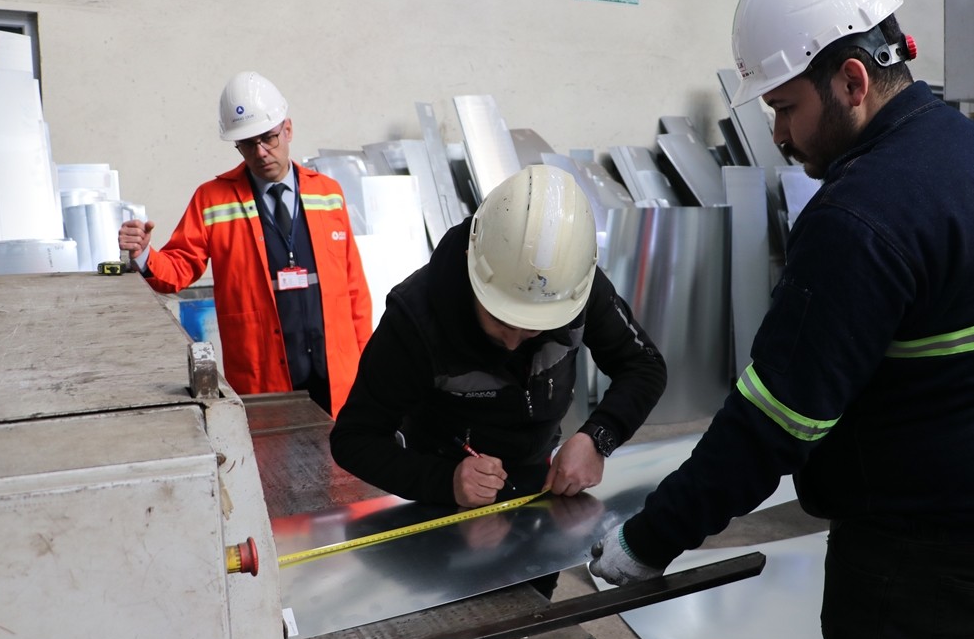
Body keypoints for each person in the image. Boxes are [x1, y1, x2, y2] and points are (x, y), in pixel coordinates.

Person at [589, 0, 974, 639]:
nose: (780, 134)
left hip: (924, 542)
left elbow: (772, 422)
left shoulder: (861, 215)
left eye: (786, 108)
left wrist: (646, 542)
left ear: (852, 79)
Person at [330, 164, 667, 576]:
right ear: (477, 275)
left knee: (534, 611)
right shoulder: (415, 321)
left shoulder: (574, 287)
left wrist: (598, 437)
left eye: (535, 326)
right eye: (502, 320)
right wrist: (446, 480)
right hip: (443, 501)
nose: (514, 340)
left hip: (542, 488)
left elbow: (644, 365)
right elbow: (353, 439)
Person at [118, 71, 373, 417]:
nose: (260, 152)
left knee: (344, 465)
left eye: (268, 138)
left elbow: (354, 289)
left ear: (288, 129)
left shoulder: (328, 193)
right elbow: (179, 268)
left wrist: (367, 366)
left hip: (338, 376)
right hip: (264, 377)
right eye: (248, 143)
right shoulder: (212, 200)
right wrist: (145, 254)